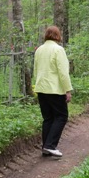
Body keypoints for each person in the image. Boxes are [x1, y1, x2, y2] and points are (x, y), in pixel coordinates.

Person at [33, 26, 73, 157]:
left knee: (48, 118)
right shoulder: (58, 50)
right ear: (58, 36)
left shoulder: (39, 50)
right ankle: (50, 145)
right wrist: (67, 89)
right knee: (61, 116)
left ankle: (46, 147)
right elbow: (63, 72)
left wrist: (36, 84)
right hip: (54, 89)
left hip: (41, 88)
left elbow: (36, 70)